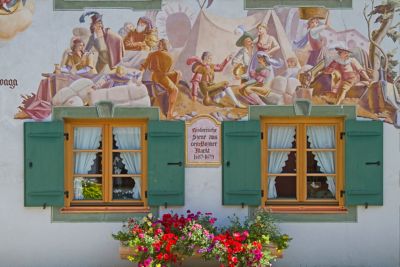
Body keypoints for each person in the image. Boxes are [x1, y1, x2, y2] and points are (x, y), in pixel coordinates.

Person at [140, 39, 181, 119]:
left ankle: (168, 112)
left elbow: (144, 66)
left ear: (161, 45)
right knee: (175, 90)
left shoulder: (152, 54)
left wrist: (140, 73)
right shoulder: (168, 55)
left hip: (156, 76)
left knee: (176, 77)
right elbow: (167, 70)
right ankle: (170, 113)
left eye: (159, 44)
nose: (158, 46)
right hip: (160, 77)